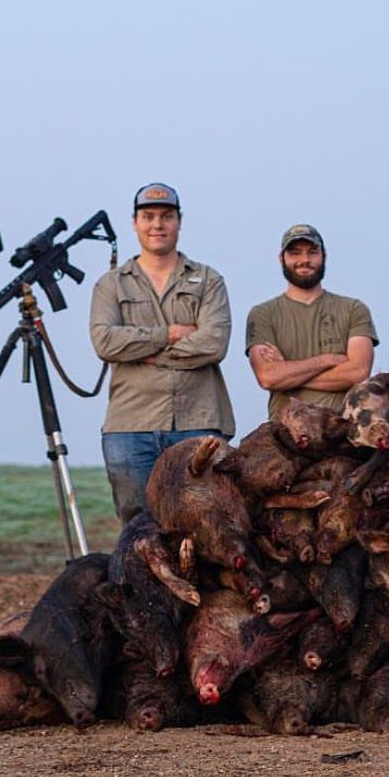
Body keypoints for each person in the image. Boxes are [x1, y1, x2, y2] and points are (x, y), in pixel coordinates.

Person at [89, 182, 236, 522]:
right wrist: (168, 334)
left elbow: (213, 343)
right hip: (131, 425)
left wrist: (146, 354)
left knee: (207, 522)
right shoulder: (111, 284)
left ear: (179, 222)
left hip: (199, 420)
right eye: (149, 216)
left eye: (166, 216)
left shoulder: (208, 280)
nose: (158, 224)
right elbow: (105, 342)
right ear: (134, 223)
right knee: (139, 527)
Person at [245, 224, 378, 418]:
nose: (304, 260)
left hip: (342, 428)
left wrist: (289, 371)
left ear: (324, 256)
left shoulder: (354, 309)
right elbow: (268, 377)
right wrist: (327, 360)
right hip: (286, 433)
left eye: (312, 252)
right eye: (295, 253)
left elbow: (357, 373)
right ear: (281, 259)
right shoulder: (263, 314)